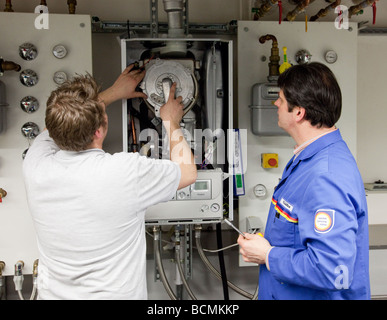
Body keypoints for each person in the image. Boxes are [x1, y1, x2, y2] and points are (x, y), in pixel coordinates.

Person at [23, 65, 197, 300]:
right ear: (98, 131)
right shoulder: (124, 172)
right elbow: (186, 172)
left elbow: (50, 128)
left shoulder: (35, 164)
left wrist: (114, 93)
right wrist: (171, 121)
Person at [238, 62, 370, 300]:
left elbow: (332, 272)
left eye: (280, 99)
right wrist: (266, 246)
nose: (275, 104)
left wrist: (268, 255)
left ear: (298, 112)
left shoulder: (326, 175)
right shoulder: (309, 158)